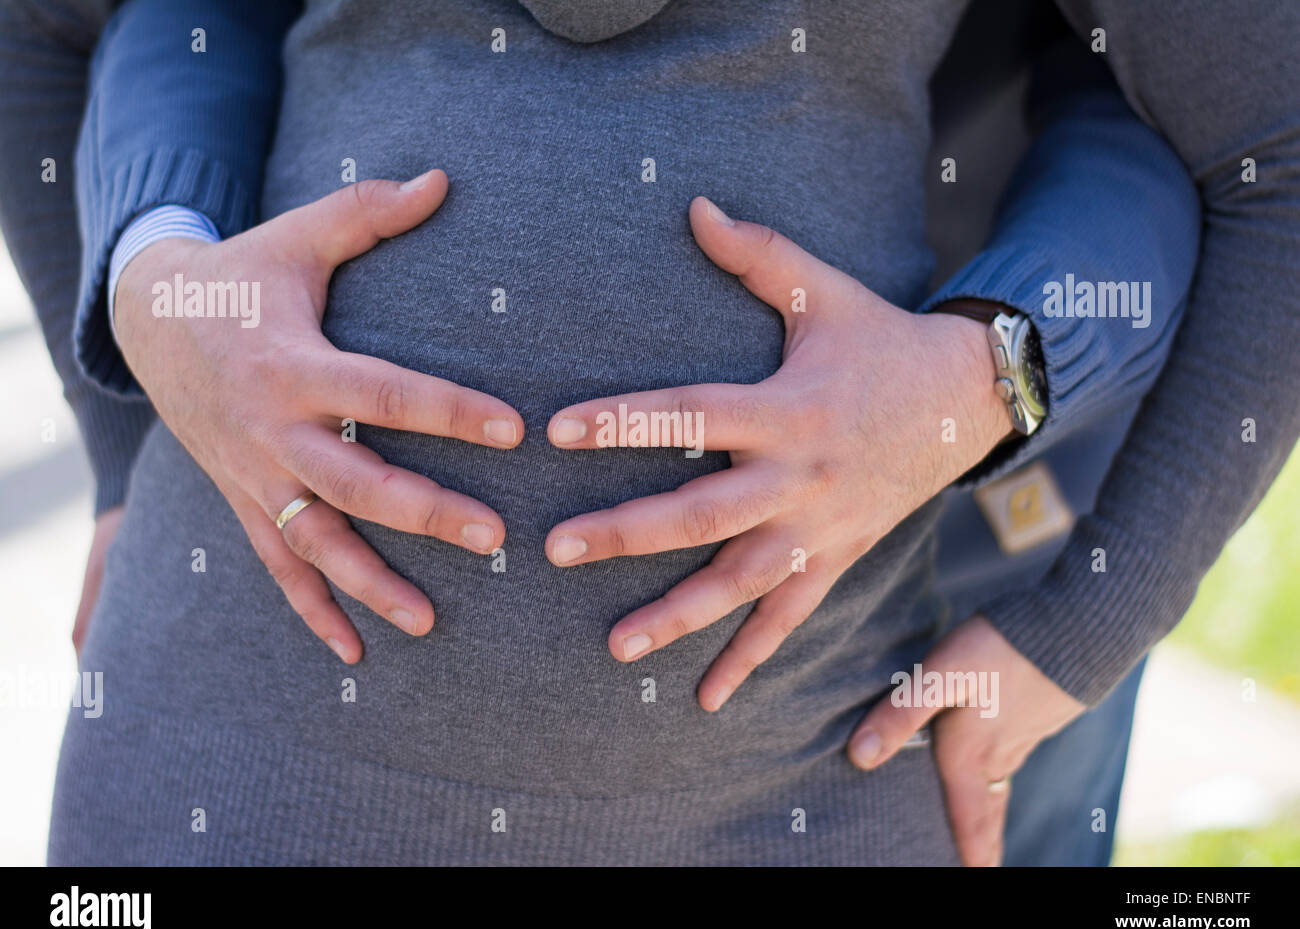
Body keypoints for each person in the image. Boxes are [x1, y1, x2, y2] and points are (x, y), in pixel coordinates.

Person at [36, 0, 1300, 864]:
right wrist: (141, 347)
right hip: (219, 769)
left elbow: (1244, 138)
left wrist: (1072, 599)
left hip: (811, 764)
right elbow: (74, 26)